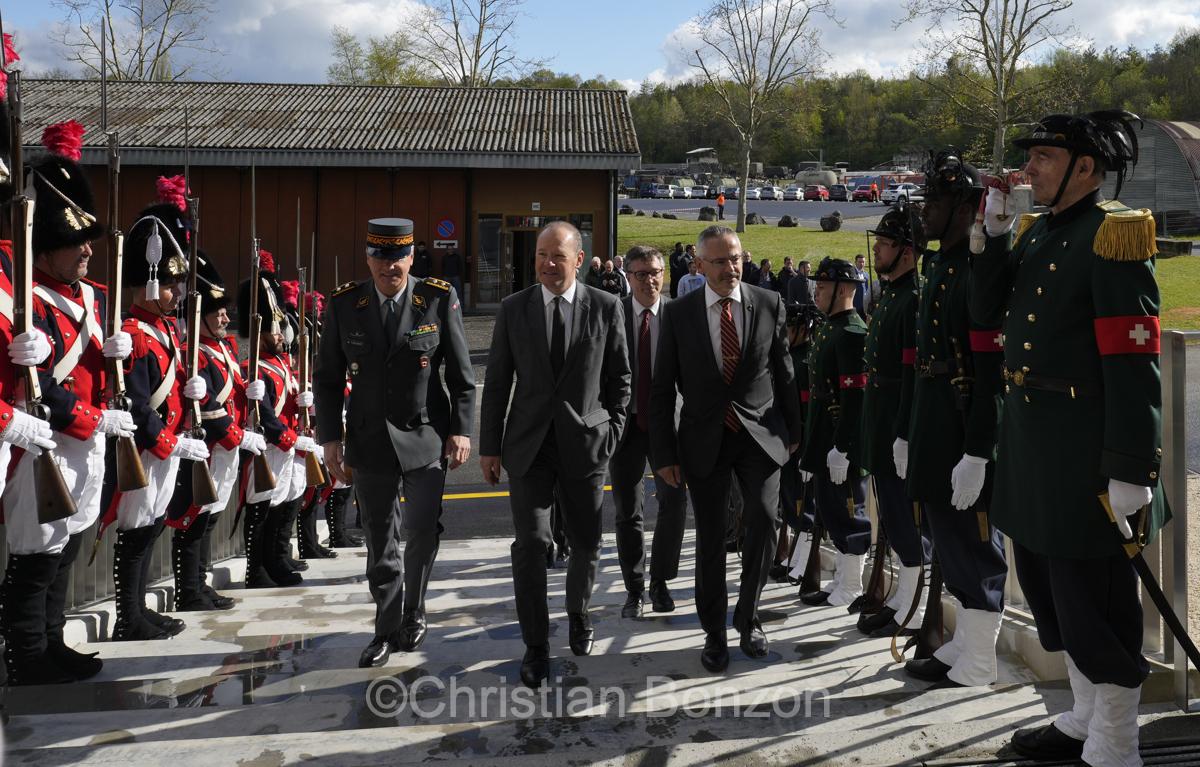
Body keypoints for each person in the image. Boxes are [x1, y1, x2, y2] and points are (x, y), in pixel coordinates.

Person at [972, 111, 1164, 767]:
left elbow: (1133, 356)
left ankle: (1117, 742)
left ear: (1085, 167)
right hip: (1034, 447)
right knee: (1054, 599)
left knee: (1093, 602)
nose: (1028, 170)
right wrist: (995, 235)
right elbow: (984, 312)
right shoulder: (1039, 233)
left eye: (1043, 158)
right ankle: (1084, 719)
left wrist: (1131, 465)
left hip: (1086, 454)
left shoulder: (1114, 233)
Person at [315, 217, 475, 668]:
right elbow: (327, 379)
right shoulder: (346, 303)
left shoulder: (437, 298)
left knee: (422, 528)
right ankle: (385, 628)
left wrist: (461, 429)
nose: (390, 267)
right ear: (369, 259)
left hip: (425, 435)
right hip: (369, 440)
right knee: (380, 538)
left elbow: (462, 375)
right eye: (381, 258)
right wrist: (330, 438)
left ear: (410, 257)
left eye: (398, 257)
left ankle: (414, 609)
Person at [479, 220, 630, 688]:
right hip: (529, 447)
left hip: (585, 445)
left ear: (578, 260)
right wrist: (489, 447)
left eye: (557, 256)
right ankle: (536, 644)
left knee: (586, 542)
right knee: (531, 544)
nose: (547, 263)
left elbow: (620, 379)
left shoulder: (605, 306)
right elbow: (497, 382)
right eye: (541, 255)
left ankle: (579, 612)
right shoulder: (514, 308)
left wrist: (612, 431)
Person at [0, 121, 124, 685]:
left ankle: (51, 641)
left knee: (64, 548)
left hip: (82, 441)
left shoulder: (90, 301)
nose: (88, 252)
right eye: (78, 244)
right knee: (36, 554)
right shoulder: (27, 297)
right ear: (47, 248)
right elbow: (45, 382)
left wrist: (115, 357)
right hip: (49, 438)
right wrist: (90, 418)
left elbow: (98, 374)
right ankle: (27, 655)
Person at [651, 224, 801, 673]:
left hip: (760, 433)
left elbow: (785, 371)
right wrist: (664, 454)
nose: (730, 268)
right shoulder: (678, 313)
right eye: (719, 261)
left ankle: (748, 617)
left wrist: (794, 431)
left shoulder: (769, 302)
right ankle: (714, 631)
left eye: (735, 258)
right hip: (704, 438)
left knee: (763, 518)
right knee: (711, 537)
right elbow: (661, 388)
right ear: (699, 265)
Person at [897, 148, 1006, 689]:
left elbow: (991, 371)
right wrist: (909, 433)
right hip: (936, 421)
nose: (924, 214)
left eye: (934, 204)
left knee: (974, 538)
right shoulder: (939, 265)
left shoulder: (976, 269)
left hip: (963, 425)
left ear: (965, 209)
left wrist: (979, 449)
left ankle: (982, 658)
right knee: (947, 535)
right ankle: (965, 642)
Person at [99, 193, 208, 642]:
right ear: (147, 283)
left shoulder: (163, 331)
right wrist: (168, 442)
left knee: (150, 528)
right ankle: (128, 617)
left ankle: (139, 608)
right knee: (136, 532)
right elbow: (138, 405)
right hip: (147, 448)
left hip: (165, 447)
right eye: (168, 285)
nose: (176, 293)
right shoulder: (134, 334)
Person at [165, 249, 266, 610]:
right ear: (200, 316)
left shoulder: (222, 350)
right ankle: (188, 591)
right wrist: (239, 436)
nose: (225, 318)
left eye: (225, 311)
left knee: (208, 520)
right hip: (208, 448)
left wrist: (251, 392)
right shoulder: (195, 352)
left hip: (225, 450)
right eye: (217, 312)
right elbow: (208, 408)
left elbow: (231, 399)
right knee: (193, 521)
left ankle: (200, 583)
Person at [852, 204, 932, 638]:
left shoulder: (914, 298)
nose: (878, 249)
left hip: (897, 420)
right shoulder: (890, 295)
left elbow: (910, 373)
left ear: (907, 252)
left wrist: (903, 432)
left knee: (908, 520)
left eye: (885, 243)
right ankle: (904, 599)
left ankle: (916, 609)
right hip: (879, 417)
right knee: (894, 519)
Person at [608, 246, 687, 619]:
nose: (650, 280)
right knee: (628, 511)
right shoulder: (613, 313)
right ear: (629, 277)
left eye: (656, 272)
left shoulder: (678, 315)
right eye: (641, 273)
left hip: (667, 427)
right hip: (625, 428)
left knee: (674, 502)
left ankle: (661, 582)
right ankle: (634, 588)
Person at [796, 258, 873, 609]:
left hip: (841, 439)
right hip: (824, 435)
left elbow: (854, 397)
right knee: (831, 509)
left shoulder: (852, 332)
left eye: (823, 287)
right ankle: (843, 577)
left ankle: (853, 583)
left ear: (843, 290)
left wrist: (843, 446)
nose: (816, 292)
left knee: (848, 510)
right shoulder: (831, 327)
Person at [237, 252, 315, 592]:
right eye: (276, 330)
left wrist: (302, 404)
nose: (283, 335)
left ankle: (274, 560)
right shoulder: (254, 366)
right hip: (268, 446)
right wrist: (289, 439)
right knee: (261, 511)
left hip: (283, 446)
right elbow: (266, 415)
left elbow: (285, 406)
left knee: (280, 504)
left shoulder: (279, 364)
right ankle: (257, 570)